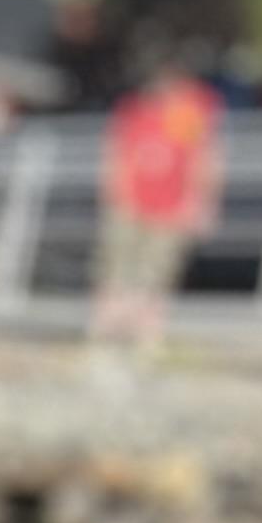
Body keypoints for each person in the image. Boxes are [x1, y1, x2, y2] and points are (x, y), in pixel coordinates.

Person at [95, 74, 222, 346]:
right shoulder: (135, 110)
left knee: (158, 268)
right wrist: (117, 192)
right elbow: (118, 153)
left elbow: (203, 155)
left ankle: (146, 328)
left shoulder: (190, 111)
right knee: (117, 264)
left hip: (170, 206)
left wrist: (200, 200)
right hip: (132, 201)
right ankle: (110, 325)